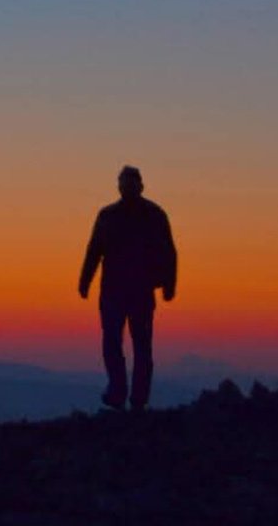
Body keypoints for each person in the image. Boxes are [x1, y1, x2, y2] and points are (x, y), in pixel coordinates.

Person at [78, 165, 177, 411]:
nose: (128, 188)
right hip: (115, 290)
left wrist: (169, 283)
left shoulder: (153, 215)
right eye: (125, 184)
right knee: (117, 343)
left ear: (140, 186)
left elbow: (168, 252)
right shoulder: (109, 216)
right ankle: (120, 393)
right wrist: (85, 280)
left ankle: (134, 398)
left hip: (138, 291)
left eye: (131, 184)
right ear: (120, 187)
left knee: (137, 345)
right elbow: (94, 251)